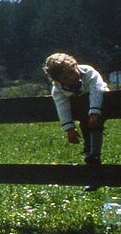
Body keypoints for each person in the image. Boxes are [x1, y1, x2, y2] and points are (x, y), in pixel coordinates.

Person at [43, 52, 108, 190]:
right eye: (66, 77)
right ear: (58, 81)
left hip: (100, 102)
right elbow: (62, 107)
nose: (72, 77)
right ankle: (89, 154)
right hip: (82, 110)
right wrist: (69, 128)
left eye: (73, 72)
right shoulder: (58, 89)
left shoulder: (89, 72)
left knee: (93, 123)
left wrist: (95, 112)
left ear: (75, 65)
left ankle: (94, 154)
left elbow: (97, 90)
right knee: (85, 125)